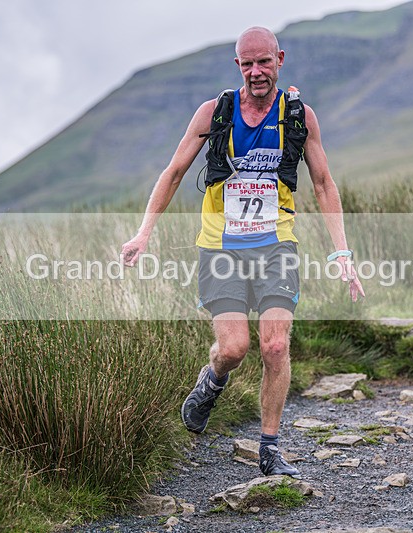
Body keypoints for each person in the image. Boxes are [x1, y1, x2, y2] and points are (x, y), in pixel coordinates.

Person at [120, 26, 364, 479]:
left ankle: (268, 448)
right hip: (220, 246)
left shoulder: (299, 116)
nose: (256, 72)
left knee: (274, 345)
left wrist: (341, 253)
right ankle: (212, 380)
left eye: (264, 62)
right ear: (238, 66)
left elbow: (325, 184)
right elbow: (173, 172)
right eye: (247, 63)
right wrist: (143, 233)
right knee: (234, 348)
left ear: (280, 59)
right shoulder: (215, 113)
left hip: (277, 245)